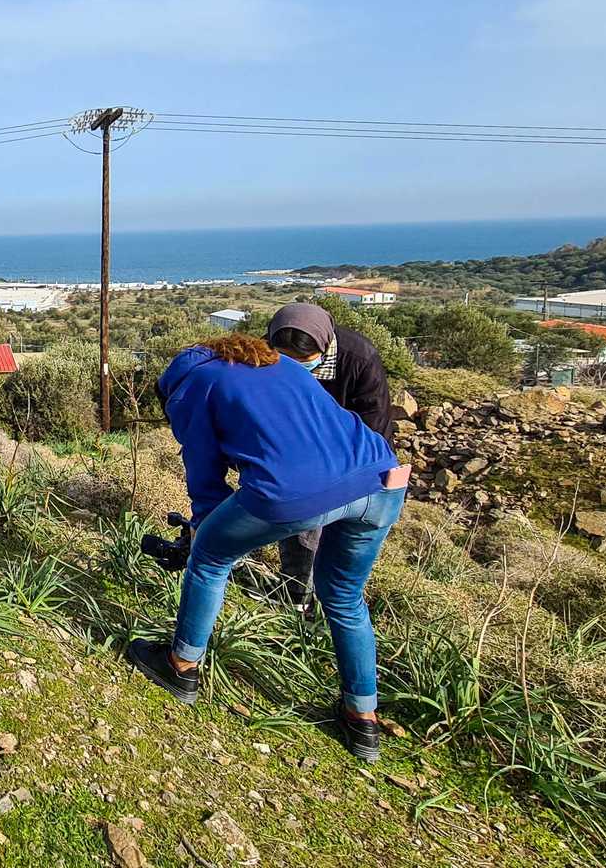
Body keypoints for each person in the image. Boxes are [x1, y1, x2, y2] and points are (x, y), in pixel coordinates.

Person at [125, 336, 407, 762]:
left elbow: (204, 472)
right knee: (345, 598)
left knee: (210, 560)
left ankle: (181, 667)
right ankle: (362, 719)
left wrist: (204, 525)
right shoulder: (284, 365)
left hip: (293, 492)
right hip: (383, 478)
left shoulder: (189, 387)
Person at [265, 302, 394, 612]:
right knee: (301, 528)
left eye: (305, 361)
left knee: (340, 539)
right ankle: (296, 596)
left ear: (323, 347)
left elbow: (374, 424)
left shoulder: (358, 358)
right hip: (296, 451)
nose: (295, 367)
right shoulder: (266, 353)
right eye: (287, 360)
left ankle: (330, 604)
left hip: (355, 456)